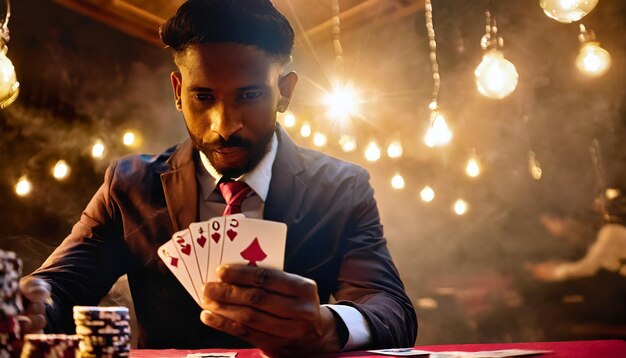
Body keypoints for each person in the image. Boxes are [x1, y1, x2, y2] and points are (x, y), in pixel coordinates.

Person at [18, 0, 417, 356]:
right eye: (203, 97)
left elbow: (389, 307)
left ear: (285, 92)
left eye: (248, 95)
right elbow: (61, 287)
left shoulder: (341, 187)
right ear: (178, 90)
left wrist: (328, 326)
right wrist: (31, 307)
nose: (224, 127)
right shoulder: (130, 184)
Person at [532, 192, 626, 282]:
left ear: (564, 219)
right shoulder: (594, 244)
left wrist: (554, 272)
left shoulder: (610, 233)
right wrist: (558, 265)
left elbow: (589, 267)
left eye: (549, 223)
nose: (549, 230)